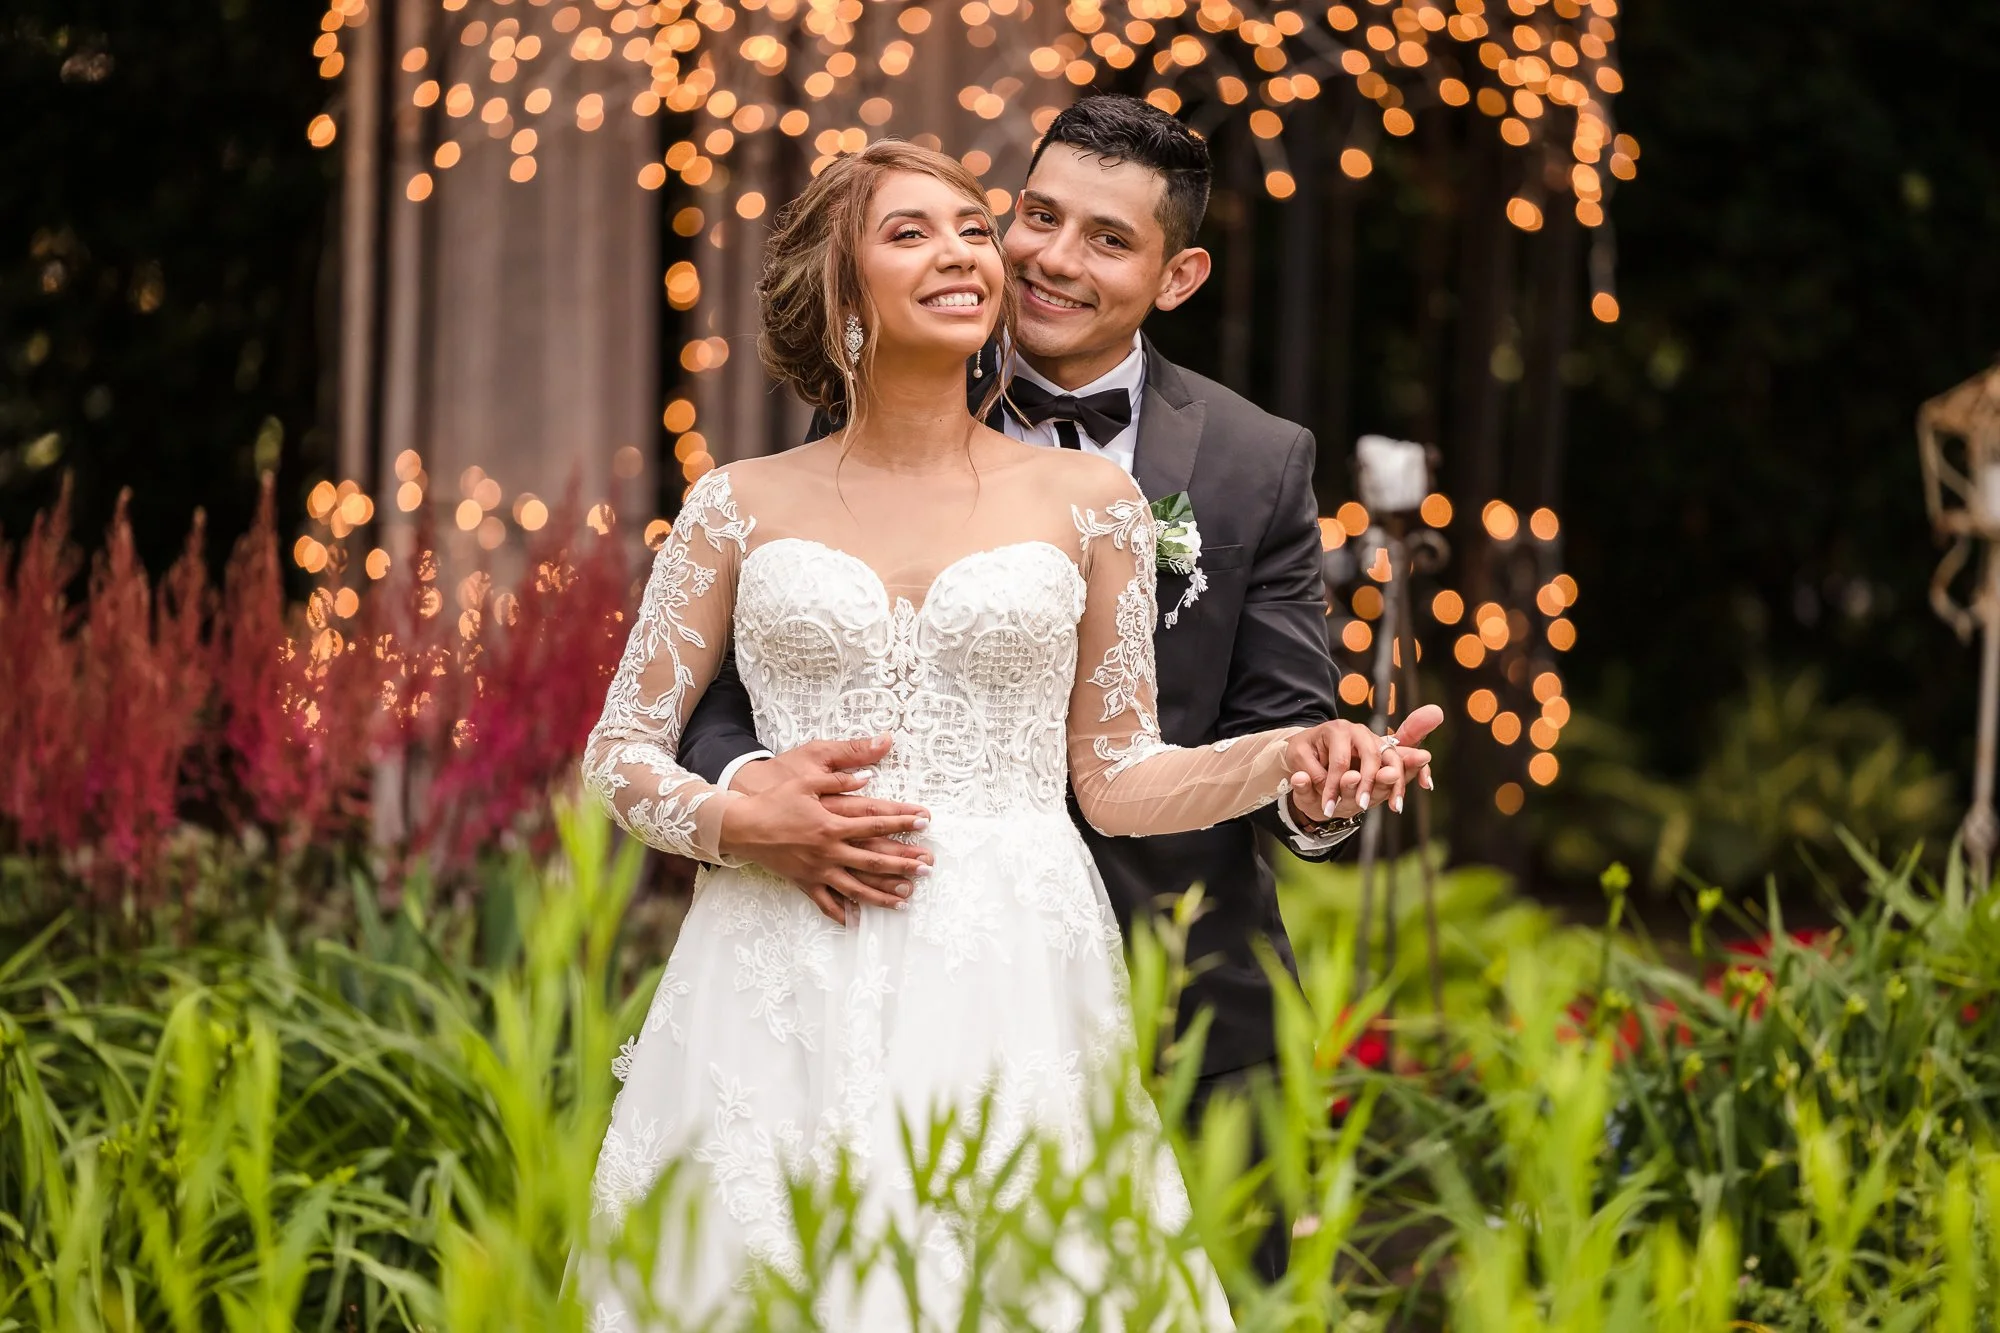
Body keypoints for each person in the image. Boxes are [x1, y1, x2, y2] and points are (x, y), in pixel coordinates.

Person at [578, 140, 1435, 1327]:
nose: (970, 252)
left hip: (1015, 967)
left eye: (972, 228)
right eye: (912, 232)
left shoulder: (1099, 506)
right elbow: (619, 750)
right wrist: (734, 816)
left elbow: (1122, 774)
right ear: (841, 286)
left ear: (1171, 273)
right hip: (781, 962)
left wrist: (1292, 756)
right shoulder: (737, 502)